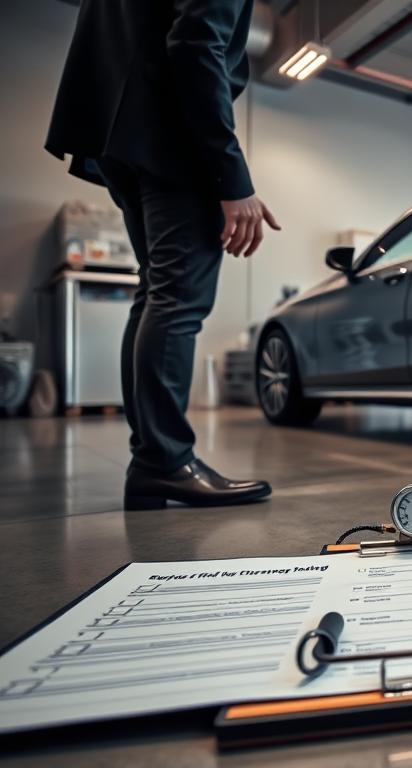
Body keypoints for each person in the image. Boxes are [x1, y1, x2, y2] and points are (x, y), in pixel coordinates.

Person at [45, 0, 279, 510]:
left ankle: (154, 459)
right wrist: (232, 179)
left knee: (155, 290)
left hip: (120, 133)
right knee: (177, 298)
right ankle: (164, 461)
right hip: (169, 131)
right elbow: (196, 43)